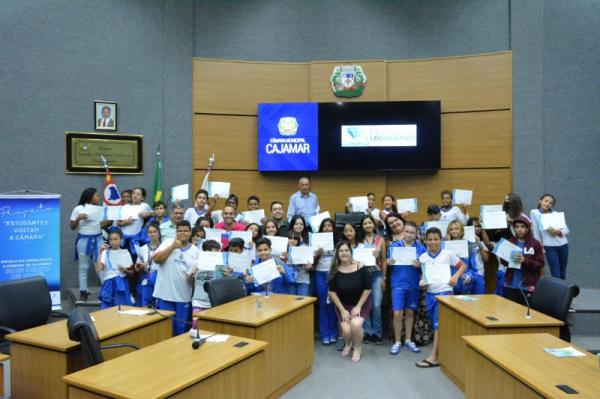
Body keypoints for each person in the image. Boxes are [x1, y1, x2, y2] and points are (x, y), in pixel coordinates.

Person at [415, 227, 466, 368]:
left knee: (438, 325)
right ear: (425, 241)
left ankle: (433, 357)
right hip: (431, 294)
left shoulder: (447, 254)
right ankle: (443, 354)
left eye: (436, 239)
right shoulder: (423, 257)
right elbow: (424, 276)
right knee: (436, 324)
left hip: (445, 293)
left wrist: (455, 276)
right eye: (430, 239)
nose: (433, 242)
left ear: (441, 240)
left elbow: (463, 266)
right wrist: (422, 282)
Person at [328, 241, 372, 363]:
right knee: (346, 331)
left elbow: (368, 288)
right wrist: (342, 310)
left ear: (351, 252)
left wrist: (358, 306)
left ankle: (357, 347)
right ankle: (348, 343)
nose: (344, 253)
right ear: (337, 254)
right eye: (341, 251)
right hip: (343, 305)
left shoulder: (361, 266)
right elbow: (332, 292)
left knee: (356, 325)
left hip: (360, 303)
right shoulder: (334, 270)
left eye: (346, 250)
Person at [153, 221, 199, 336]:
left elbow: (193, 277)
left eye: (186, 231)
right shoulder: (168, 242)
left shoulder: (195, 250)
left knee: (181, 330)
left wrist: (193, 275)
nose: (182, 233)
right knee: (165, 329)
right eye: (180, 231)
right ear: (176, 232)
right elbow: (157, 260)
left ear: (190, 232)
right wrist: (172, 247)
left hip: (183, 297)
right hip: (164, 295)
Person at [387, 221, 426, 355]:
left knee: (410, 313)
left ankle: (408, 340)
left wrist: (420, 265)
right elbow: (387, 263)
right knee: (397, 313)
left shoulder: (421, 248)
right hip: (397, 284)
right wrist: (388, 262)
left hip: (413, 285)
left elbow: (426, 267)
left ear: (416, 235)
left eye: (412, 232)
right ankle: (397, 341)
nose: (409, 234)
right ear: (403, 232)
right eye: (407, 231)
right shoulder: (394, 246)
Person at [70, 187, 108, 301]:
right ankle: (83, 291)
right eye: (96, 195)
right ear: (90, 196)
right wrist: (78, 218)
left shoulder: (100, 209)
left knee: (101, 264)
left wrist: (104, 223)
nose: (98, 197)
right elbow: (72, 227)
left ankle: (106, 289)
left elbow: (104, 226)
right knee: (83, 266)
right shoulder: (78, 209)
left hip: (98, 239)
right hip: (83, 240)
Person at [356, 215, 386, 345]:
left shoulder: (380, 240)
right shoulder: (359, 240)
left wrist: (384, 277)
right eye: (365, 223)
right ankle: (367, 332)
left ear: (374, 225)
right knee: (364, 305)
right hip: (362, 275)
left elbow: (384, 259)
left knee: (376, 305)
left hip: (377, 275)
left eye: (370, 223)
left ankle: (377, 333)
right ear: (362, 226)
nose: (367, 225)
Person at [502, 216, 545, 303]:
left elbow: (540, 263)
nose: (519, 229)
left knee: (525, 312)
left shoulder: (535, 243)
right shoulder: (510, 242)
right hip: (511, 284)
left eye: (522, 227)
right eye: (517, 227)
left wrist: (524, 260)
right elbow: (504, 263)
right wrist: (504, 258)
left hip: (528, 285)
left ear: (527, 228)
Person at [530, 194, 570, 279]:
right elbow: (536, 233)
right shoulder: (534, 213)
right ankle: (557, 292)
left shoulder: (555, 214)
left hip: (563, 245)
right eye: (546, 201)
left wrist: (558, 232)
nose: (548, 204)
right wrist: (540, 247)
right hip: (550, 247)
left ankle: (562, 292)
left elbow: (567, 230)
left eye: (551, 203)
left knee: (563, 273)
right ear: (540, 201)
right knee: (556, 274)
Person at [313, 218, 338, 345]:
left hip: (334, 276)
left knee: (333, 305)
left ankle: (334, 333)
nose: (327, 228)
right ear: (321, 228)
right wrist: (317, 255)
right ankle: (325, 334)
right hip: (320, 275)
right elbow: (312, 265)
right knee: (323, 304)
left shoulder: (338, 242)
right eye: (325, 226)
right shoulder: (316, 242)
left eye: (330, 226)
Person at [96, 228, 134, 309]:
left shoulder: (126, 253)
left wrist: (125, 270)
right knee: (106, 309)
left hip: (122, 283)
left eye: (116, 239)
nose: (113, 241)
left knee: (122, 309)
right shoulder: (105, 253)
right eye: (111, 239)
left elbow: (132, 272)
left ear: (121, 240)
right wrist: (100, 253)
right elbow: (98, 269)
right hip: (109, 284)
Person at [446, 220, 478, 295]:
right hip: (450, 282)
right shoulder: (445, 246)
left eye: (456, 229)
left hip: (465, 283)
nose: (454, 231)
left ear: (461, 230)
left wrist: (470, 275)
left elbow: (474, 266)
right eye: (451, 229)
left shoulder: (470, 246)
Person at [135, 221, 161, 307]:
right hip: (147, 279)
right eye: (150, 232)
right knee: (146, 307)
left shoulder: (164, 247)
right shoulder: (143, 248)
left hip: (160, 279)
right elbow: (137, 267)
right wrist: (141, 266)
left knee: (159, 306)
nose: (152, 234)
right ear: (147, 234)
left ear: (159, 233)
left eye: (155, 231)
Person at [284, 231, 312, 296]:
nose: (292, 240)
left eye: (295, 239)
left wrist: (309, 267)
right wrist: (285, 260)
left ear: (298, 241)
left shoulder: (304, 249)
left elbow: (310, 268)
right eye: (290, 238)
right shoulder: (283, 251)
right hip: (289, 281)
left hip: (303, 280)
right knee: (290, 302)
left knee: (302, 302)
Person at [467, 217, 490, 294]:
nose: (476, 228)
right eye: (474, 226)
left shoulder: (484, 243)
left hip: (480, 276)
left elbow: (486, 259)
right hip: (467, 276)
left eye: (478, 226)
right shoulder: (462, 243)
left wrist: (480, 245)